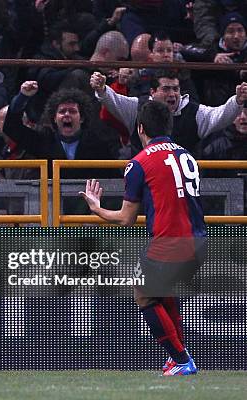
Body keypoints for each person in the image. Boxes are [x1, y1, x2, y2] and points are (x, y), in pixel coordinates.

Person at [80, 100, 206, 376]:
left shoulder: (139, 162)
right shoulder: (186, 154)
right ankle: (177, 358)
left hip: (169, 239)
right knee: (163, 292)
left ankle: (182, 359)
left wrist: (96, 207)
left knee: (144, 296)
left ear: (140, 128)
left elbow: (126, 218)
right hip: (198, 239)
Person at [91, 69, 247, 156]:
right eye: (166, 89)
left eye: (176, 89)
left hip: (182, 184)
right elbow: (113, 100)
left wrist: (237, 101)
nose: (172, 94)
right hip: (145, 180)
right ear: (153, 91)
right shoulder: (137, 107)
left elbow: (221, 115)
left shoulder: (194, 112)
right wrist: (101, 89)